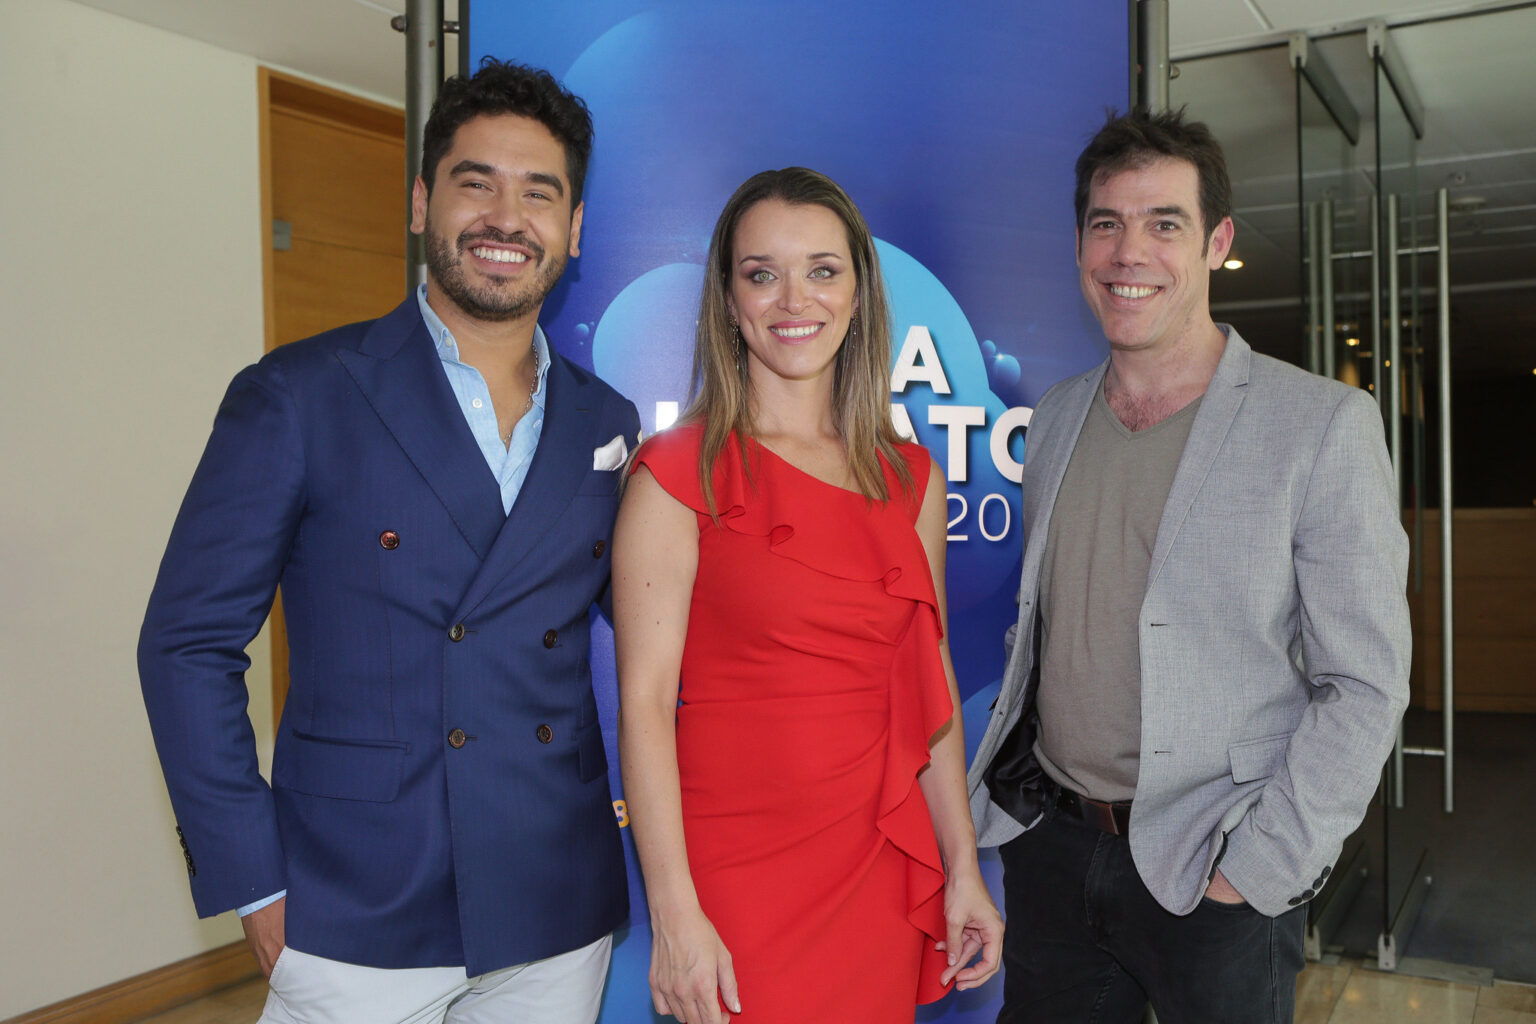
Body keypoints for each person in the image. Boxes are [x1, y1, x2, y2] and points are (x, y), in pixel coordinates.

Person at [138, 60, 638, 1024]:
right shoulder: (297, 394)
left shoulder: (606, 421)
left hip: (554, 897)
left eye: (539, 193)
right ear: (420, 203)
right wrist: (252, 879)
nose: (505, 217)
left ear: (574, 229)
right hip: (350, 904)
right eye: (475, 182)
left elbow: (653, 628)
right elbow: (186, 644)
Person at [967, 108, 1412, 1023]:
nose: (1129, 252)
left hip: (1217, 869)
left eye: (1163, 223)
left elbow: (1365, 685)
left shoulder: (1320, 425)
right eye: (1106, 223)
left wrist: (1259, 868)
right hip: (1055, 851)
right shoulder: (1053, 419)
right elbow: (1052, 627)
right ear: (1080, 246)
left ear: (1216, 243)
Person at [612, 168, 1003, 1024]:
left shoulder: (911, 478)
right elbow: (644, 703)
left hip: (875, 864)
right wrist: (675, 915)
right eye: (763, 274)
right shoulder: (675, 474)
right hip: (735, 877)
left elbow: (928, 686)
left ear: (858, 293)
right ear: (729, 301)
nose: (795, 300)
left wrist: (962, 866)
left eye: (823, 270)